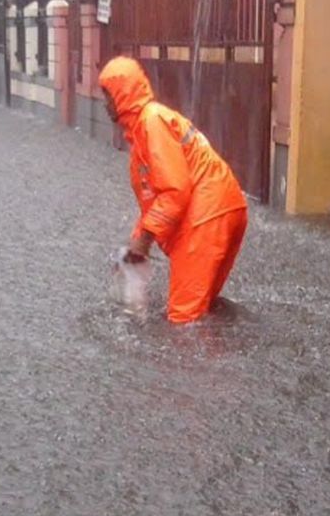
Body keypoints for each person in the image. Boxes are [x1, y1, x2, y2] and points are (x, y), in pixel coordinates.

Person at [99, 56, 248, 324]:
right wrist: (135, 243)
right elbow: (155, 199)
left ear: (122, 93)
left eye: (107, 95)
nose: (105, 103)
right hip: (224, 210)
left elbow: (175, 190)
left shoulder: (151, 123)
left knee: (183, 321)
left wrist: (143, 241)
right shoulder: (147, 126)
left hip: (206, 219)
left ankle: (197, 365)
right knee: (202, 309)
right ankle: (221, 358)